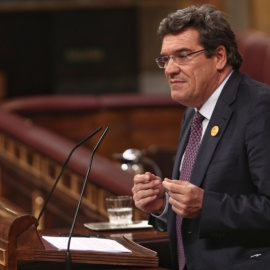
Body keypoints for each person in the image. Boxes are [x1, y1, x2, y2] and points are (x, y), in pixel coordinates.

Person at [132, 4, 270, 270]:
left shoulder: (260, 108)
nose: (170, 69)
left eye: (182, 56)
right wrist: (164, 205)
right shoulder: (194, 112)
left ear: (219, 57)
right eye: (165, 59)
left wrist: (208, 205)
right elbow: (193, 205)